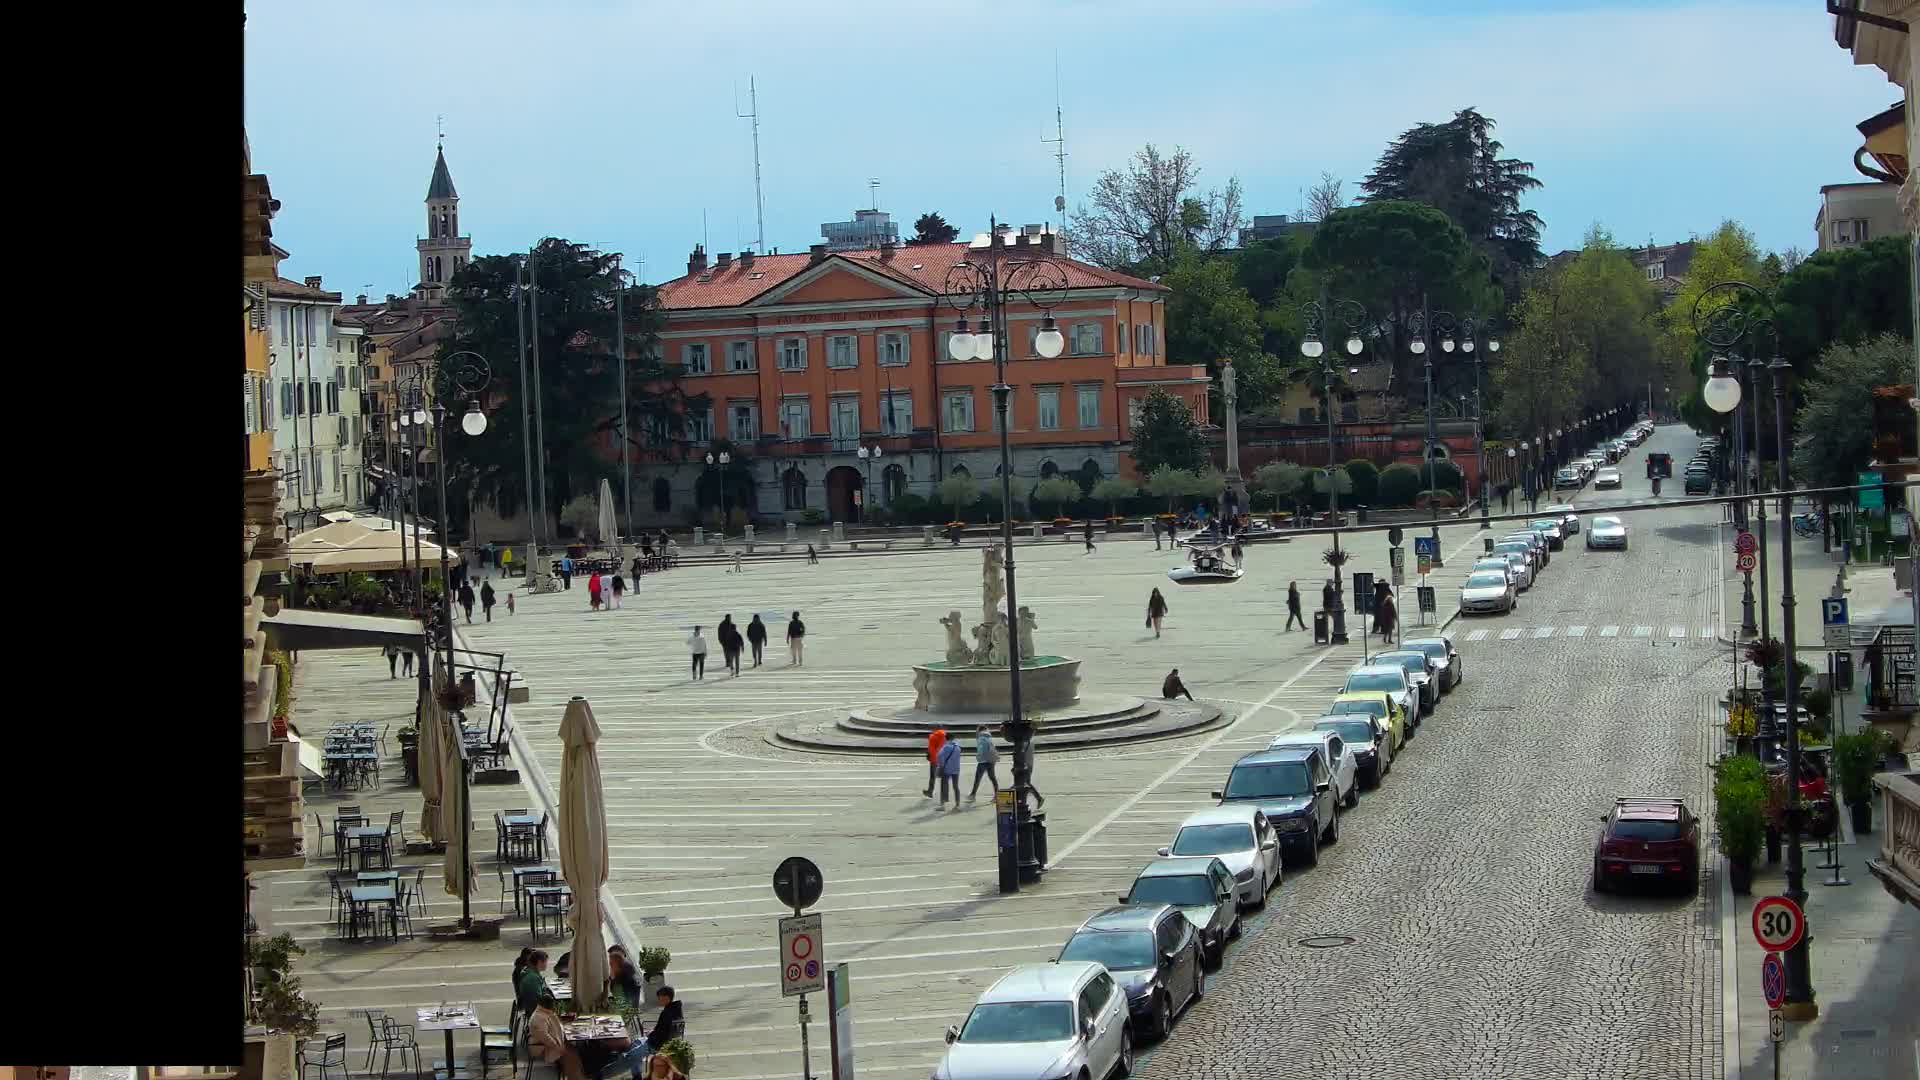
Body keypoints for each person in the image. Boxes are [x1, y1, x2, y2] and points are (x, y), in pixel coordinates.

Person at [526, 993, 588, 1080]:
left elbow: (555, 1025)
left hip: (557, 1043)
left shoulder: (544, 1013)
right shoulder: (538, 1018)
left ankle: (577, 1076)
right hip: (546, 1047)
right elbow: (546, 1038)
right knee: (572, 1058)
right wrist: (559, 1048)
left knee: (576, 1054)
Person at [967, 726, 1000, 802]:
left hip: (983, 761)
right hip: (991, 760)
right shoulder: (989, 737)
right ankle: (997, 796)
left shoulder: (981, 738)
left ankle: (972, 795)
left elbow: (981, 750)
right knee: (993, 778)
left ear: (979, 730)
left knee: (977, 779)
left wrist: (978, 757)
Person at [515, 949, 551, 1016]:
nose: (547, 964)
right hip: (535, 1013)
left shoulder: (531, 973)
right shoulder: (533, 978)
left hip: (531, 1010)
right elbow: (539, 1000)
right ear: (540, 962)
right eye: (546, 962)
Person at [936, 731, 962, 809]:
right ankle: (957, 804)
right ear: (953, 738)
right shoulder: (958, 747)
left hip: (946, 769)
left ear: (945, 738)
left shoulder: (945, 747)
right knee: (956, 786)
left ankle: (942, 805)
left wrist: (941, 765)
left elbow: (939, 756)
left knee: (944, 786)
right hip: (956, 769)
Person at [922, 727, 947, 799]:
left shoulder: (935, 736)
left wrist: (931, 754)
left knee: (934, 776)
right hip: (938, 758)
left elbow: (934, 748)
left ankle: (931, 791)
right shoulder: (942, 735)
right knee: (938, 776)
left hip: (934, 758)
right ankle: (935, 792)